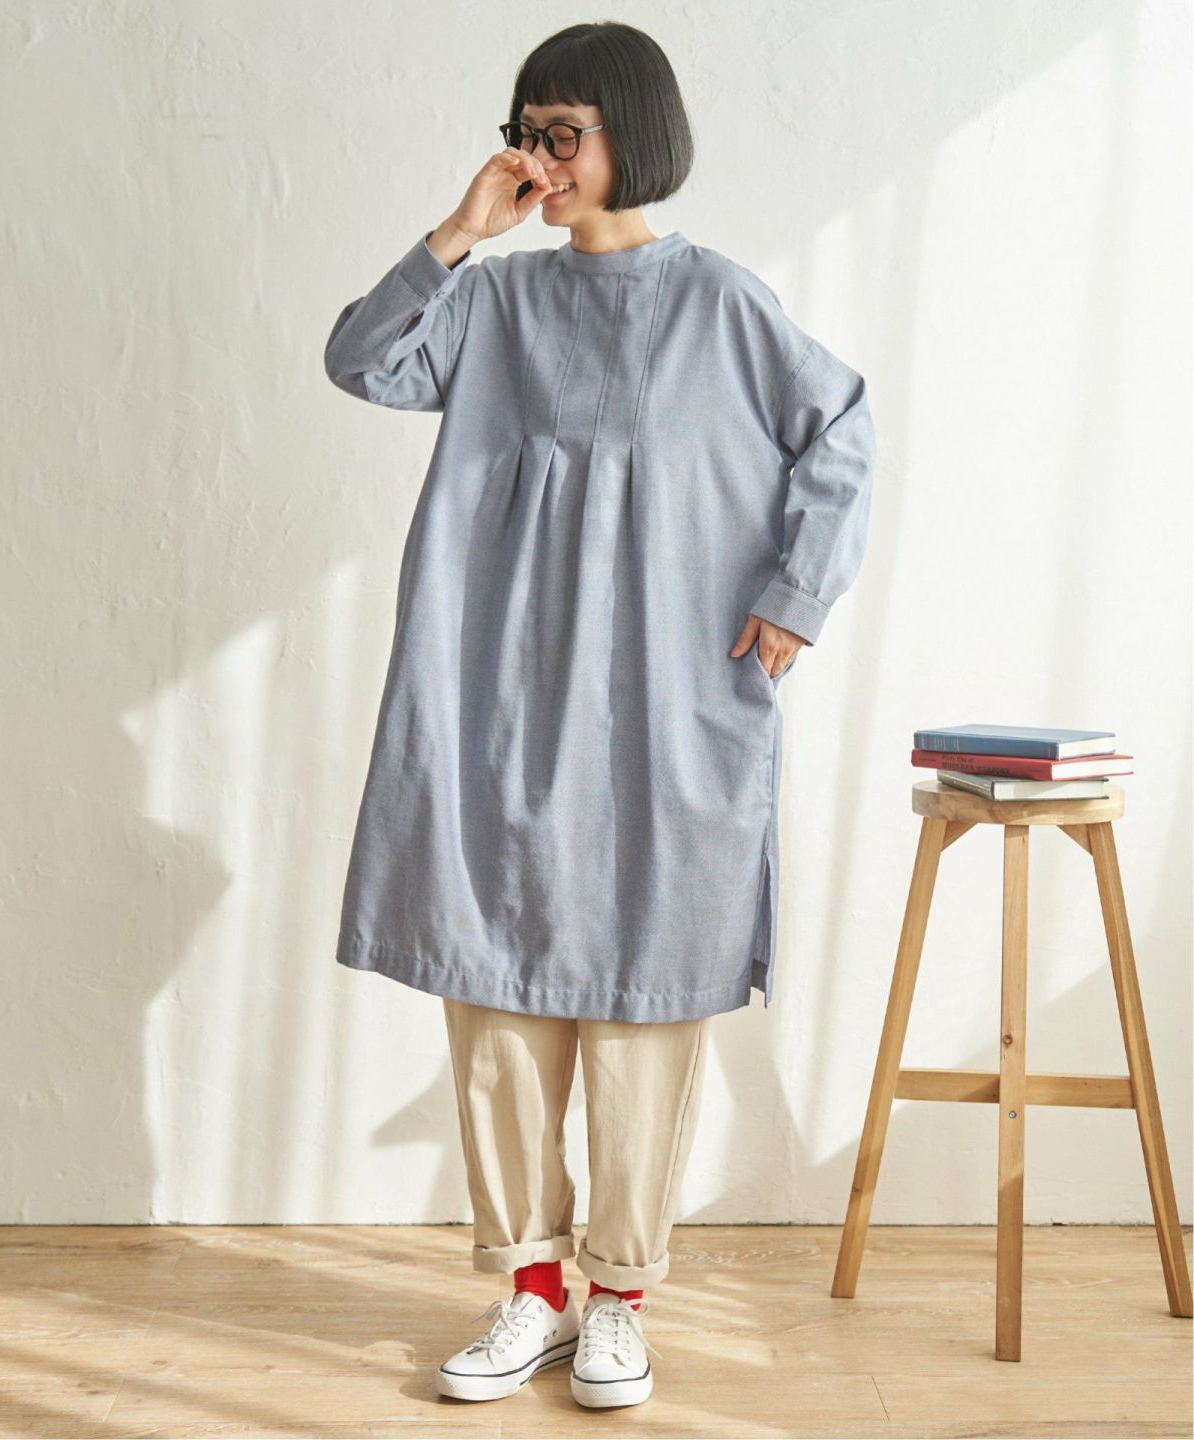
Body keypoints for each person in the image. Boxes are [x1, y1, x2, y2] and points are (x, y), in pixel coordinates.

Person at [324, 21, 877, 1410]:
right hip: (499, 701)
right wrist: (462, 230)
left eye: (563, 133)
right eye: (525, 132)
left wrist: (796, 594)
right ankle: (530, 1290)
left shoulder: (724, 307)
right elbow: (360, 359)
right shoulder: (494, 306)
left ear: (633, 133)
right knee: (496, 994)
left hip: (666, 712)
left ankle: (619, 1300)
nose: (540, 158)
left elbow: (843, 429)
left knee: (645, 1000)